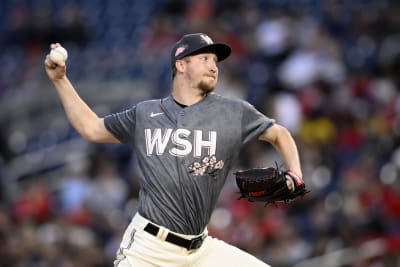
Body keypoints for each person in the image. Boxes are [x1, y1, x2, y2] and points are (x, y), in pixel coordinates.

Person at [44, 33, 303, 267]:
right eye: (204, 58)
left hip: (200, 249)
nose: (214, 66)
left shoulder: (233, 112)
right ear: (181, 65)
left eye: (215, 61)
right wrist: (60, 80)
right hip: (148, 249)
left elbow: (279, 133)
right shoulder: (145, 114)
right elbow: (91, 128)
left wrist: (295, 174)